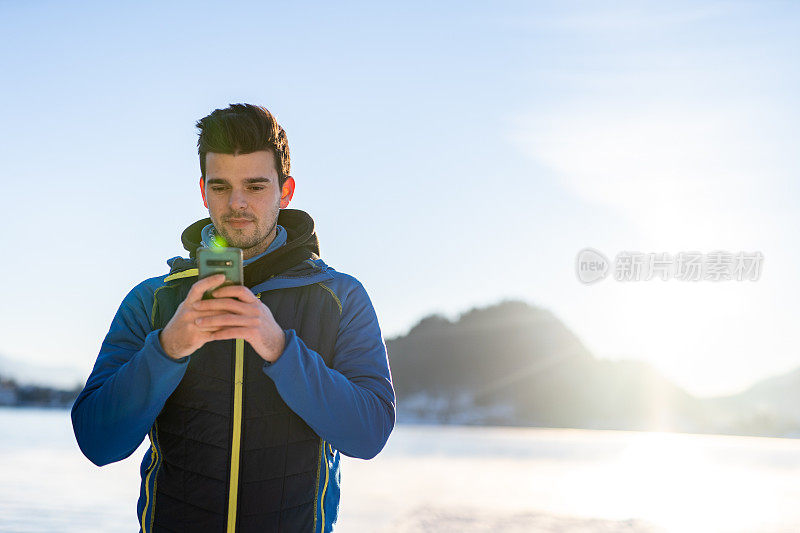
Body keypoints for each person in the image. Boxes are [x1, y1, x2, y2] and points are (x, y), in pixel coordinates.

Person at [71, 103, 396, 533]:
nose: (237, 203)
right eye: (221, 187)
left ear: (286, 191)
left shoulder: (339, 299)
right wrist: (167, 349)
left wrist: (280, 350)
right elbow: (98, 442)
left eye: (256, 186)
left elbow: (369, 434)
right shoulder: (153, 301)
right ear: (203, 191)